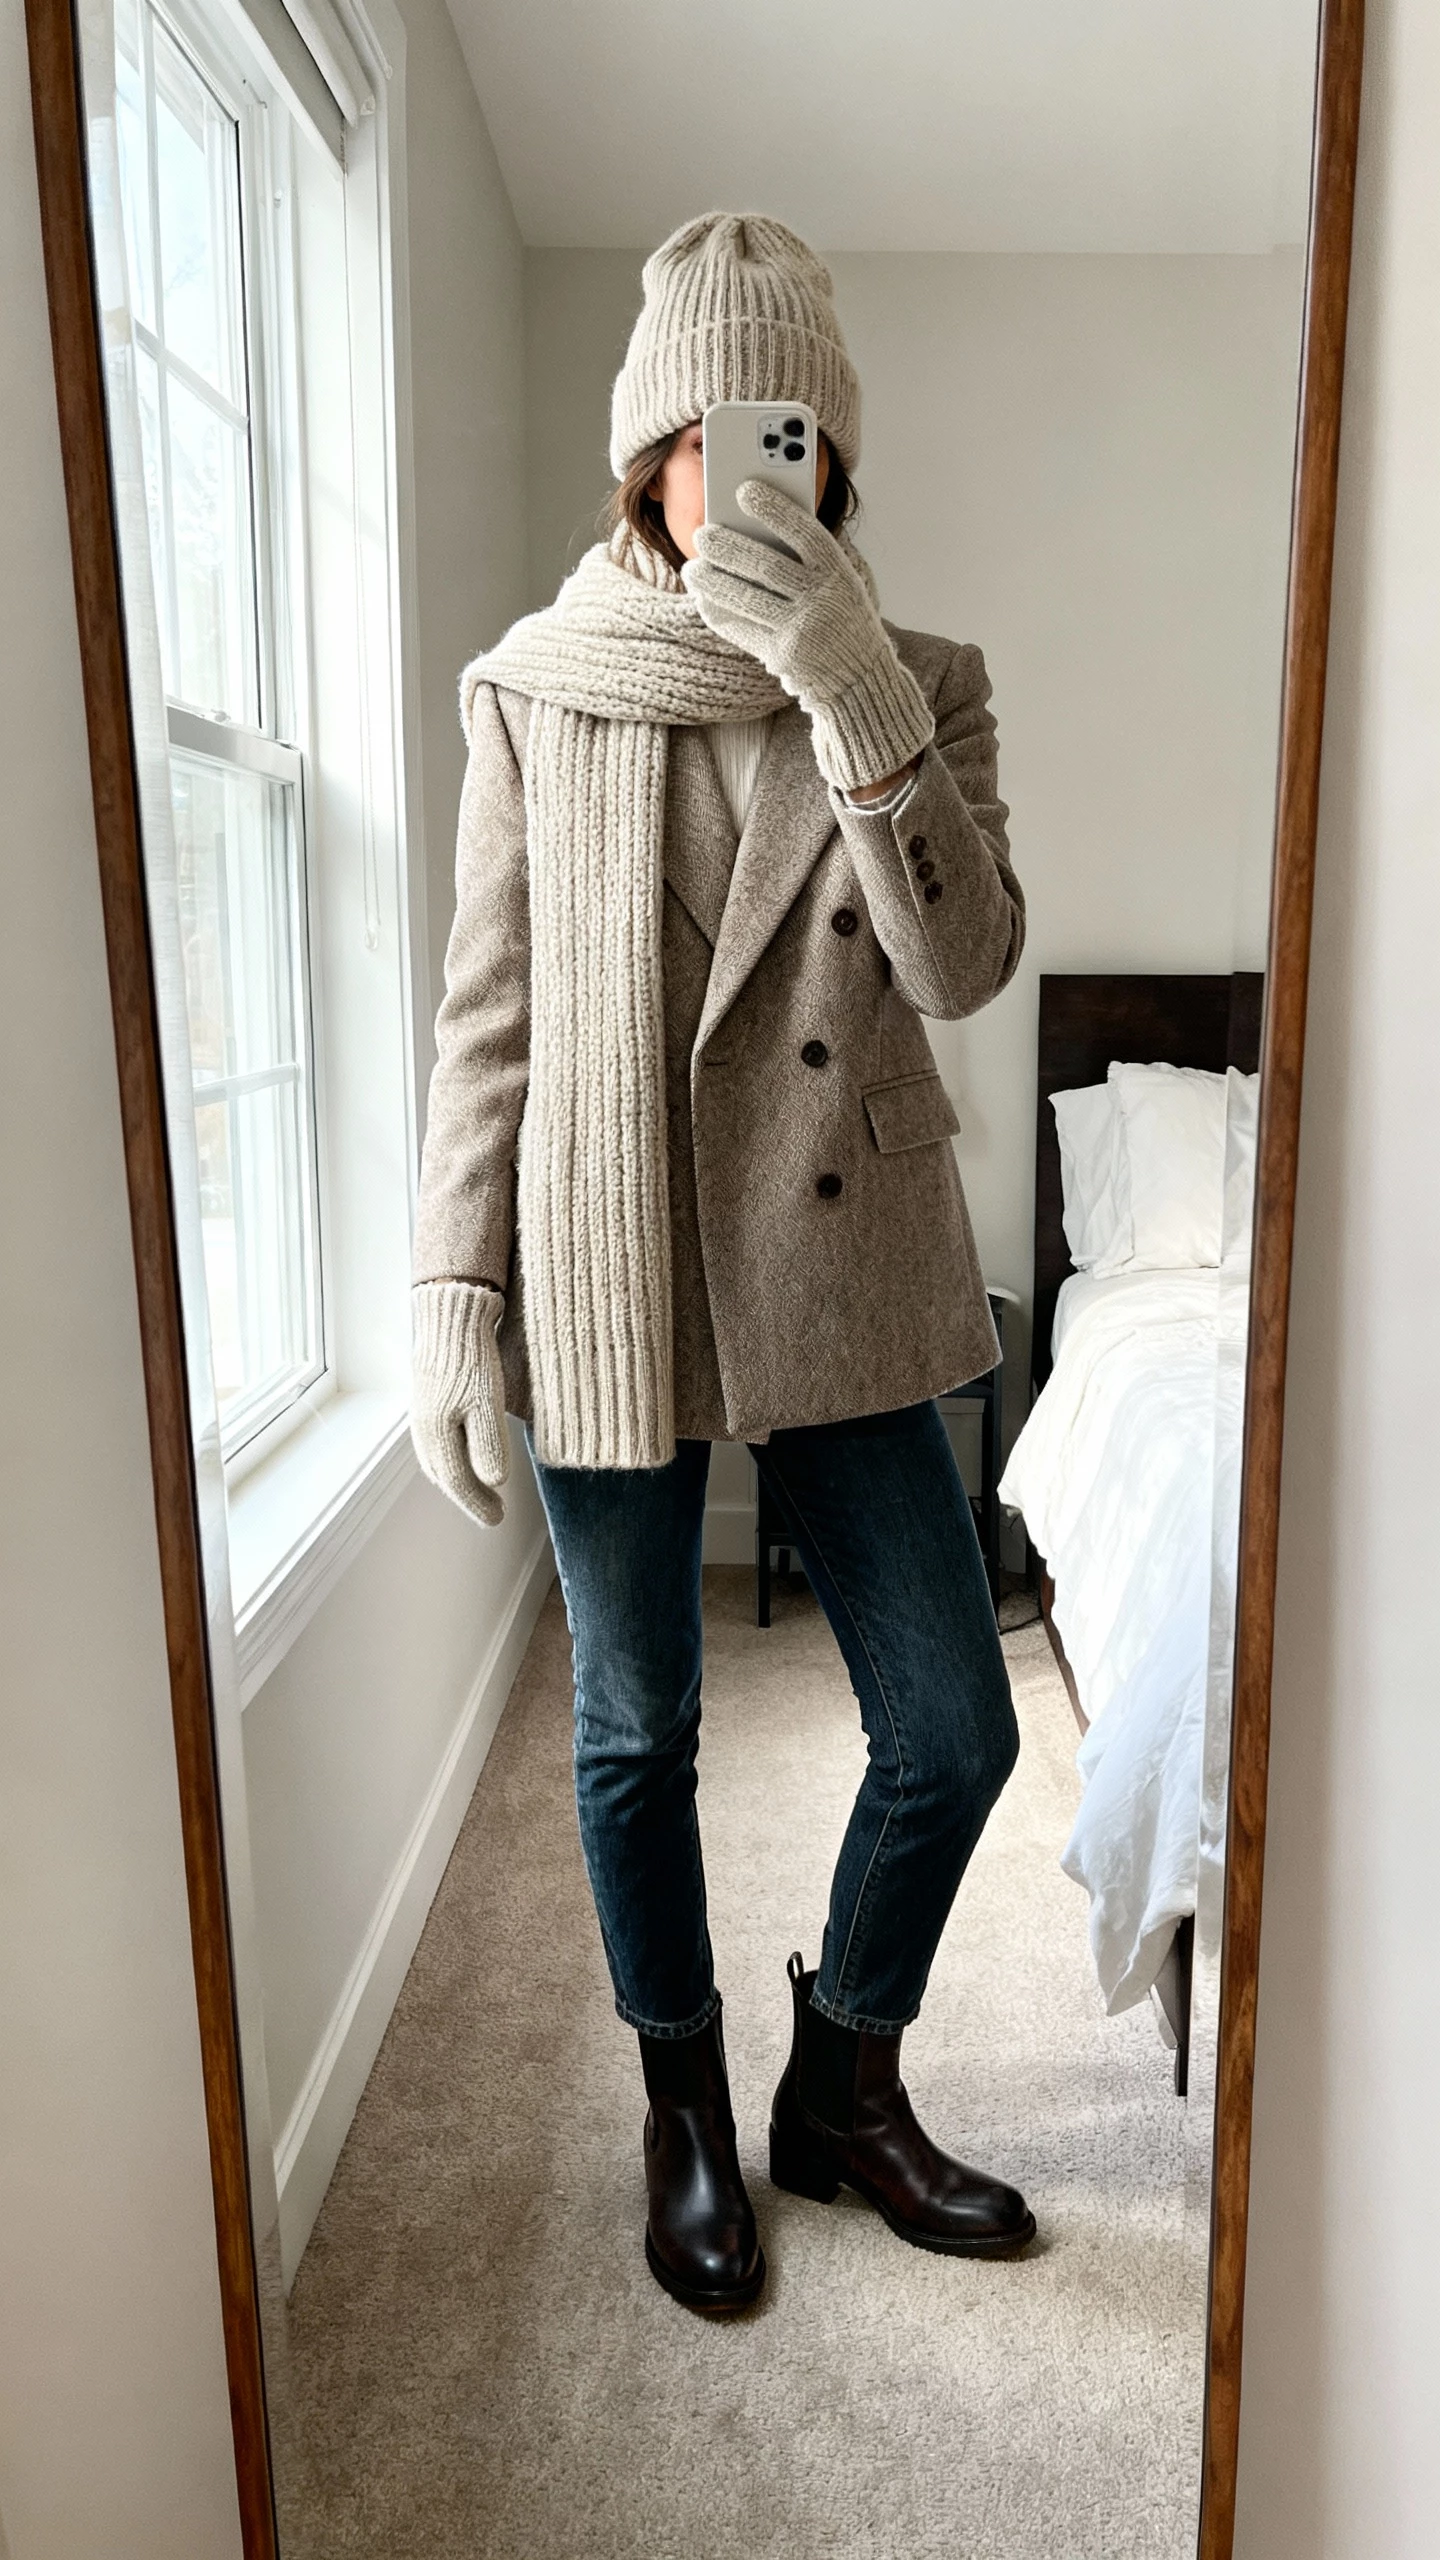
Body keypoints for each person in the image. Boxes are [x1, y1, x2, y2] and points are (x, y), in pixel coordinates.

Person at [410, 212, 1034, 2311]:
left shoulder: (919, 674)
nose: (736, 465)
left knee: (957, 1724)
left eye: (778, 430)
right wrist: (453, 1289)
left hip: (840, 1263)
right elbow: (486, 1011)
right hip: (611, 1257)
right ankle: (684, 2107)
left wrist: (850, 682)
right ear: (642, 449)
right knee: (634, 1727)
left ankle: (838, 2078)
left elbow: (957, 961)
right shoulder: (535, 688)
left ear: (832, 453)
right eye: (699, 424)